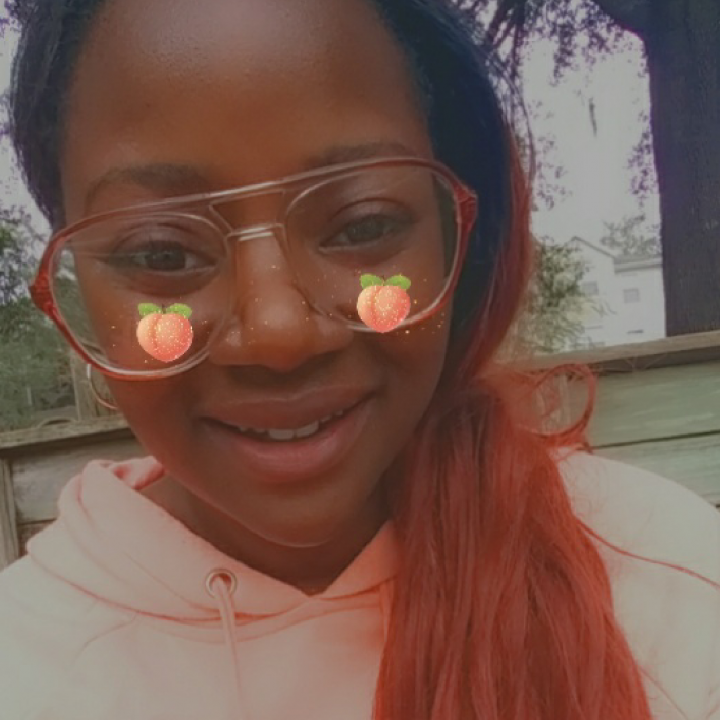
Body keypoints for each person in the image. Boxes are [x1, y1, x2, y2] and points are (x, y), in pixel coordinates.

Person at [0, 0, 718, 718]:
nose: (279, 334)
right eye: (162, 254)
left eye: (363, 225)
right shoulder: (25, 668)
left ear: (460, 233)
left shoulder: (665, 579)